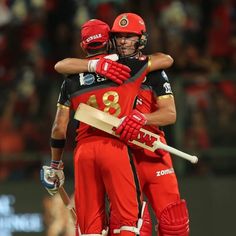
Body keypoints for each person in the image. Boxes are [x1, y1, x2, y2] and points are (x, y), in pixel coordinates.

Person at [55, 13, 190, 236]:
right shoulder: (106, 67)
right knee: (129, 225)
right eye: (120, 37)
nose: (124, 42)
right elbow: (62, 66)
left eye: (130, 37)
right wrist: (95, 66)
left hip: (153, 152)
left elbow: (170, 113)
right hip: (123, 153)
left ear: (141, 39)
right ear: (111, 39)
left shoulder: (152, 69)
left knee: (173, 224)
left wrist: (143, 118)